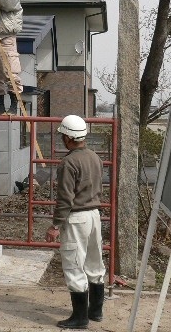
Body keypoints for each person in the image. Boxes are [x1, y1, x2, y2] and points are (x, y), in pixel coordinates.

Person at [45, 115, 106, 329]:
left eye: (63, 136)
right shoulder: (95, 157)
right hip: (94, 215)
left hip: (77, 217)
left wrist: (55, 225)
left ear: (68, 138)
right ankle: (95, 311)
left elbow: (65, 198)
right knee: (95, 263)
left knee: (73, 265)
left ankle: (80, 318)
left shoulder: (69, 163)